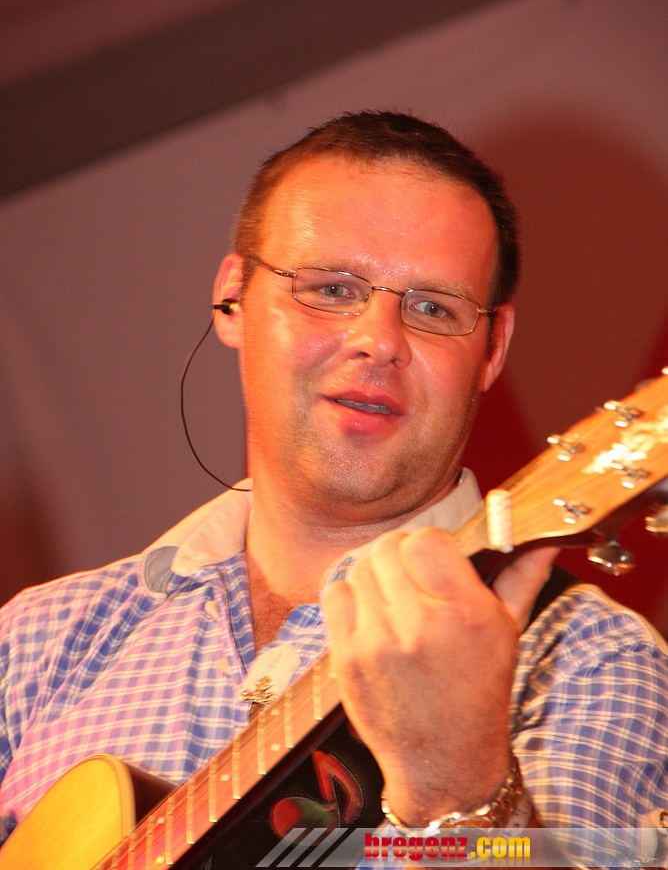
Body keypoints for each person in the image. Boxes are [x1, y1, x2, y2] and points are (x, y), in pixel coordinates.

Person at [1, 112, 667, 858]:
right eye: (330, 288)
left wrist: (459, 791)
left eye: (432, 307)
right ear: (232, 298)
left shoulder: (586, 660)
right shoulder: (36, 642)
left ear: (492, 349)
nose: (379, 340)